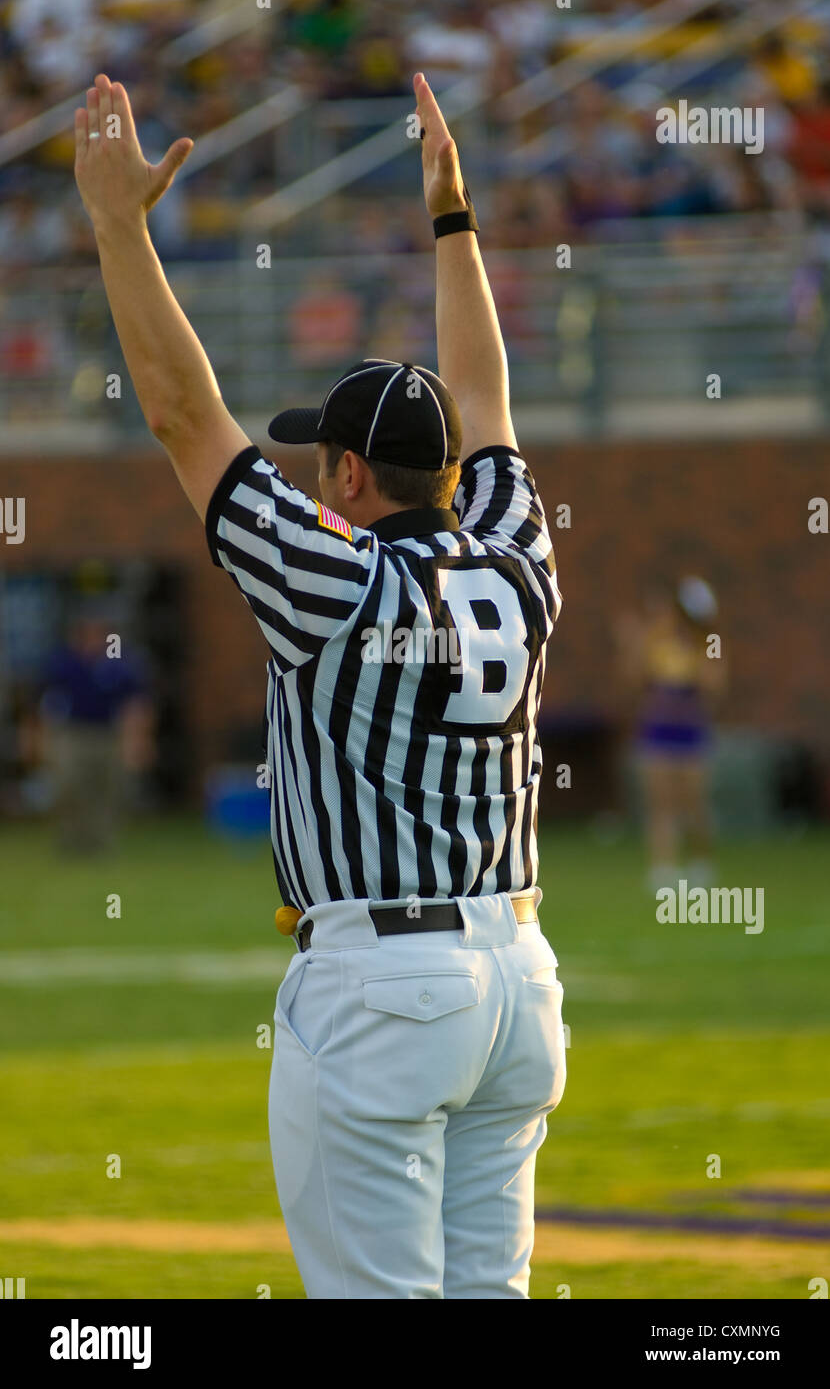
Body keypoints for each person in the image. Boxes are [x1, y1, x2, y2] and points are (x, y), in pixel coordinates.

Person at [74, 69, 566, 1299]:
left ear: (348, 474)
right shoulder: (515, 545)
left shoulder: (332, 581)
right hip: (516, 974)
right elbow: (489, 401)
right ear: (444, 470)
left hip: (384, 984)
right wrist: (453, 222)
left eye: (319, 462)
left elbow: (186, 417)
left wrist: (118, 228)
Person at [617, 577, 724, 892]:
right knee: (659, 803)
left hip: (690, 729)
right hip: (658, 728)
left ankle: (700, 863)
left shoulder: (707, 644)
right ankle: (663, 869)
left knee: (694, 803)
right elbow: (634, 677)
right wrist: (636, 640)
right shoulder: (657, 639)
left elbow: (715, 685)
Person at [39, 609, 152, 852]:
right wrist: (40, 739)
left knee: (109, 790)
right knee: (69, 786)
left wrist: (137, 741)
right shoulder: (63, 661)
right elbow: (45, 703)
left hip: (110, 734)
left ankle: (101, 845)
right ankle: (71, 841)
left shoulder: (121, 662)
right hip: (73, 733)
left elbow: (134, 703)